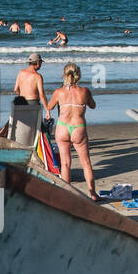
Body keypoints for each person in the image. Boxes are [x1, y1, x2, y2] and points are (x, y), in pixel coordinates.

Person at [47, 62, 97, 198]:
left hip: (62, 127)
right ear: (78, 75)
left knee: (65, 163)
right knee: (86, 163)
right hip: (78, 128)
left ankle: (66, 195)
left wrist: (49, 110)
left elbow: (49, 106)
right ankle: (93, 193)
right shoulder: (84, 91)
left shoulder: (58, 92)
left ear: (64, 75)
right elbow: (93, 105)